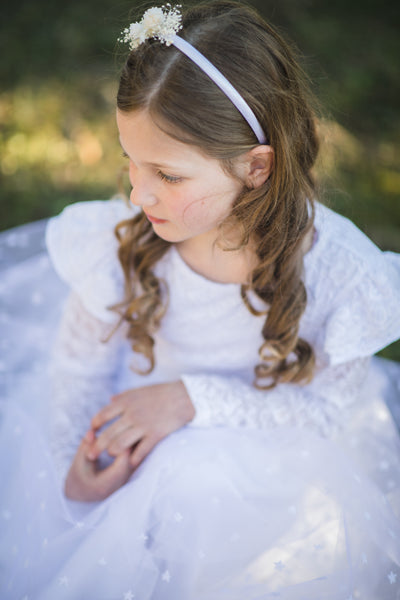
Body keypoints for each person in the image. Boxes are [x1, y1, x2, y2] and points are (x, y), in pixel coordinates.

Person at [1, 1, 400, 598]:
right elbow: (78, 365)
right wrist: (75, 461)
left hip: (266, 464)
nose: (138, 193)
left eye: (167, 175)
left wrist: (189, 400)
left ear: (255, 168)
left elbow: (321, 412)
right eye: (130, 163)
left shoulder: (339, 274)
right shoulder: (120, 246)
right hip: (129, 437)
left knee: (198, 489)